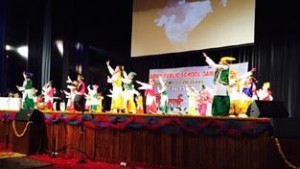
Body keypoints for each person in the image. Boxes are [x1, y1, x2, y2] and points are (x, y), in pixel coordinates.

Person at [203, 52, 235, 116]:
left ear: (224, 63)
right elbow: (215, 66)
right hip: (218, 89)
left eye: (220, 61)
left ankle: (222, 114)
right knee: (217, 101)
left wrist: (207, 57)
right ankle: (216, 114)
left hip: (223, 88)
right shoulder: (219, 70)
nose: (219, 62)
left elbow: (213, 65)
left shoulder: (225, 67)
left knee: (222, 101)